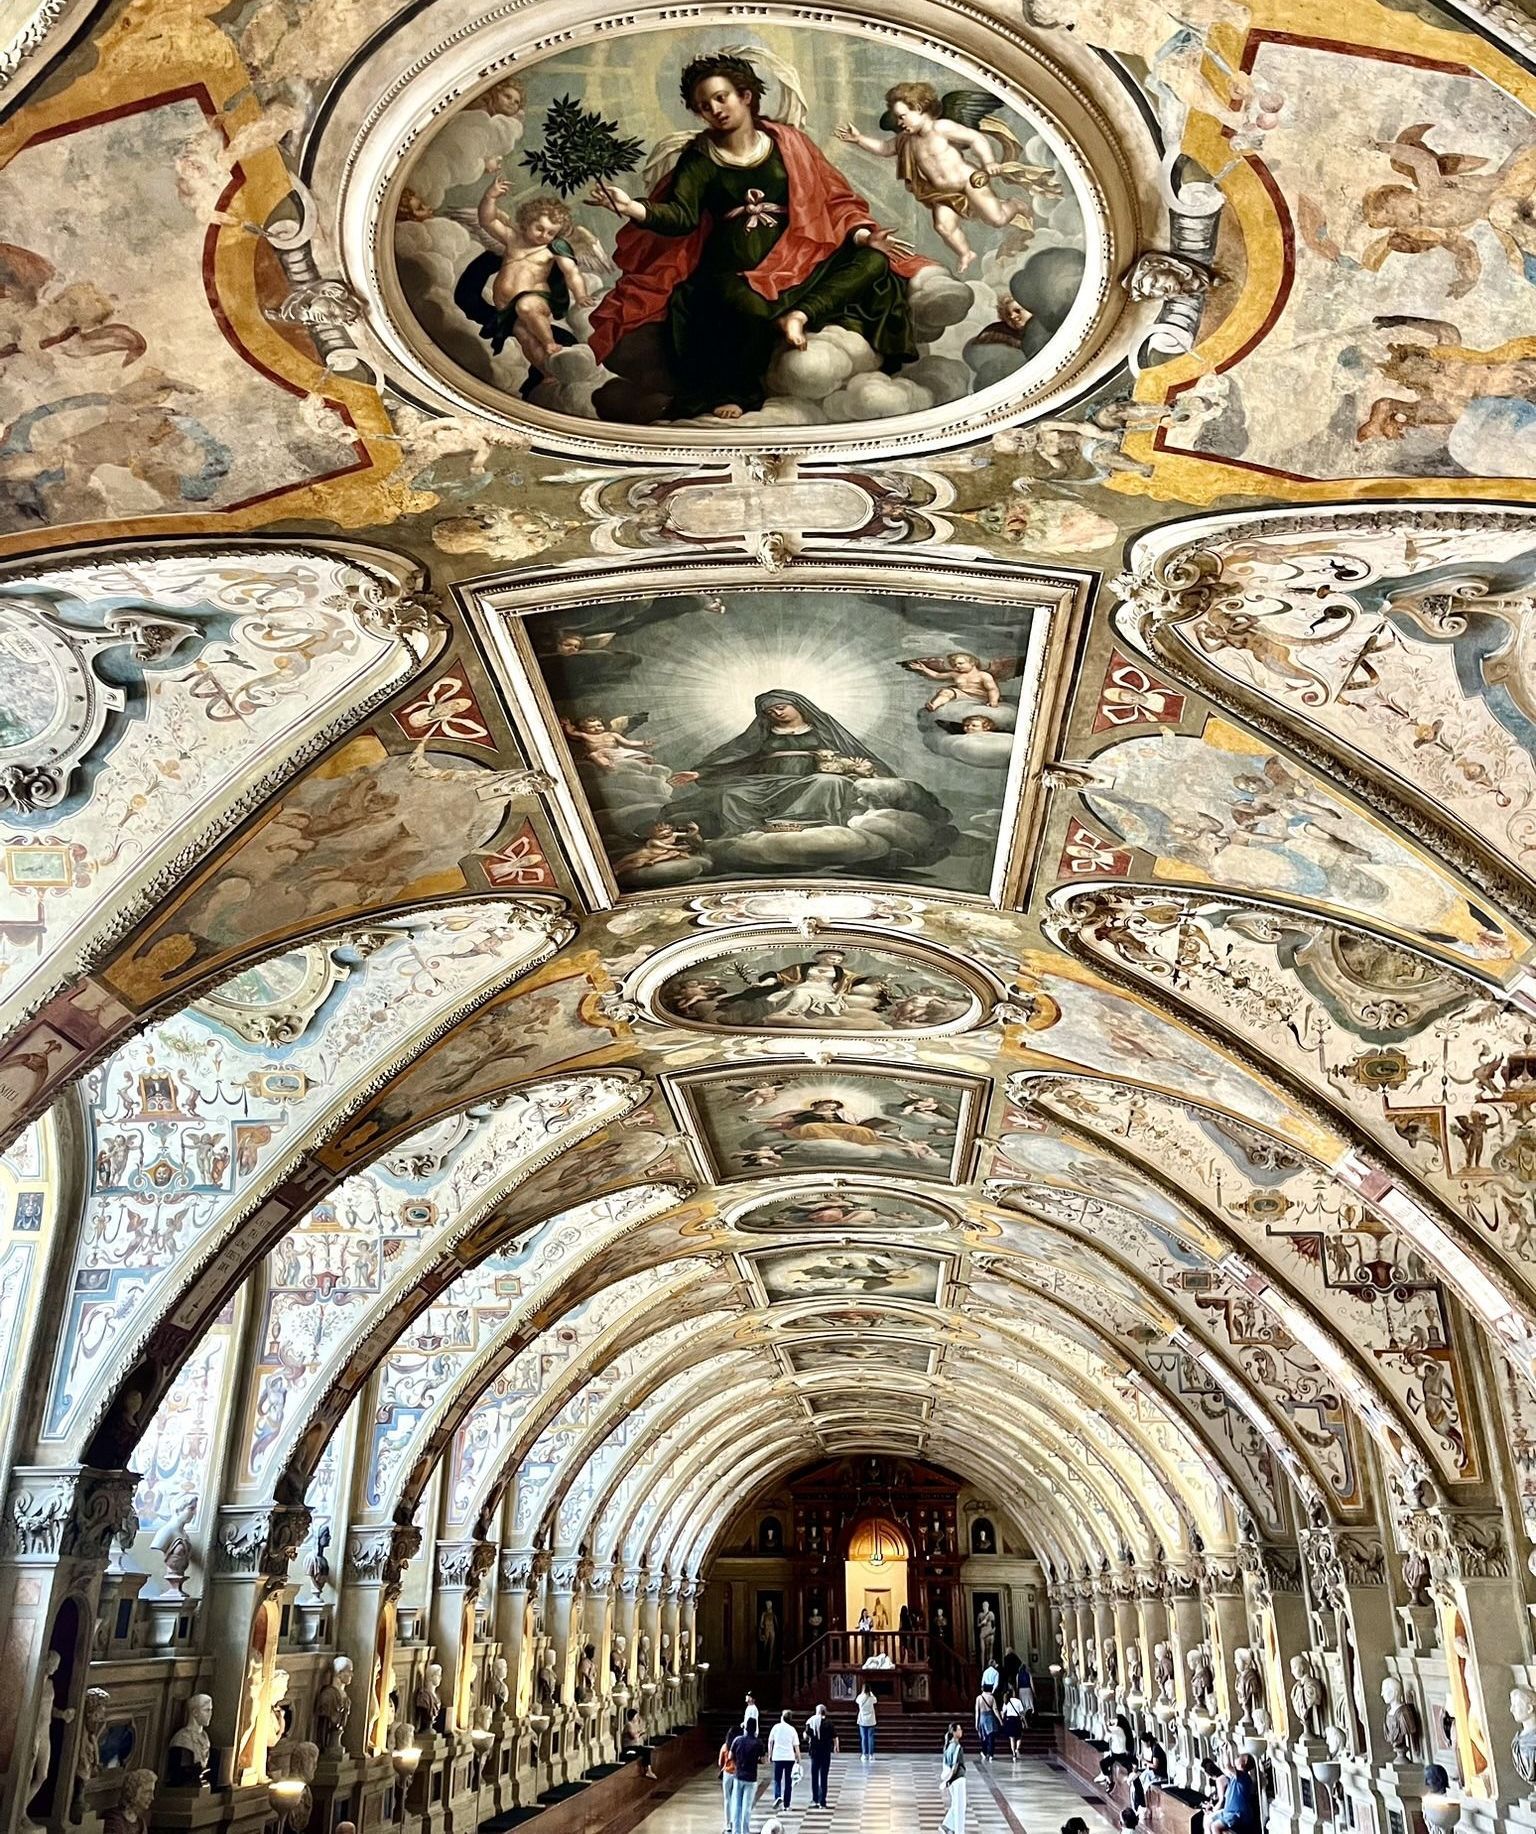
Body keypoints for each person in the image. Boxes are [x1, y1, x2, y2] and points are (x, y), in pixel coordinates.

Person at [587, 52, 927, 421]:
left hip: (798, 262)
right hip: (735, 274)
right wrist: (632, 208)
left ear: (745, 96)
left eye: (722, 97)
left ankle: (798, 314)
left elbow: (831, 199)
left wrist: (862, 236)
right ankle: (740, 392)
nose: (715, 109)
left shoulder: (788, 143)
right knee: (747, 308)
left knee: (875, 260)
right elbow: (682, 217)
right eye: (703, 106)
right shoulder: (700, 159)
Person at [729, 1722, 766, 1834]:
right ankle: (745, 1831)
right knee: (747, 1807)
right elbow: (764, 1761)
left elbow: (730, 1756)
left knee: (737, 1805)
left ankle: (736, 1831)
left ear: (745, 1728)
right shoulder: (758, 1743)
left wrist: (737, 1763)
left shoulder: (737, 1740)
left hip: (738, 1776)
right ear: (755, 1729)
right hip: (751, 1778)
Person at [1210, 1754, 1261, 1834]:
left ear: (1243, 1763)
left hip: (1236, 1814)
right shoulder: (1236, 1776)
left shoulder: (1243, 1776)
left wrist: (1225, 1752)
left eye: (1240, 1757)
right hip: (1230, 1812)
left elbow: (1227, 1766)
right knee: (1209, 1820)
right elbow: (1225, 1768)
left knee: (1215, 1826)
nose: (1237, 1757)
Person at [804, 1704, 838, 1809]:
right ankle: (823, 1801)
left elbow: (806, 1736)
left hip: (814, 1752)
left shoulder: (811, 1722)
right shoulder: (829, 1723)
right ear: (825, 1712)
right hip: (825, 1752)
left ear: (817, 1712)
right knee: (824, 1776)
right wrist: (836, 1747)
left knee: (814, 1776)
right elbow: (835, 1736)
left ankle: (815, 1799)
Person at [767, 1710, 801, 1810]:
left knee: (777, 1779)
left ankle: (778, 1797)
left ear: (782, 1717)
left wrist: (770, 1754)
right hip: (789, 1758)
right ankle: (787, 1805)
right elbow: (796, 1746)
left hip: (777, 1756)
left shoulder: (776, 1727)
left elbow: (770, 1741)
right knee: (788, 1781)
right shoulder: (792, 1729)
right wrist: (798, 1758)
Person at [941, 1722, 967, 1834]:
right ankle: (958, 1831)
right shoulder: (957, 1747)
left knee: (957, 1805)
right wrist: (950, 1780)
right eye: (959, 1730)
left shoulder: (948, 1746)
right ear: (954, 1732)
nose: (961, 1732)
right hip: (957, 1779)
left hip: (952, 1780)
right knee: (960, 1807)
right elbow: (955, 1766)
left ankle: (946, 1825)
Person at [1134, 1735, 1169, 1809]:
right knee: (1137, 1780)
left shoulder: (1156, 1748)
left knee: (1138, 1781)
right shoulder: (1154, 1747)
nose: (1143, 1745)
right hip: (1155, 1772)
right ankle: (1139, 1803)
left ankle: (1142, 1803)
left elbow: (1155, 1765)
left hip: (1160, 1774)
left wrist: (1144, 1761)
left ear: (1148, 1742)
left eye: (1144, 1743)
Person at [718, 1720, 741, 1833]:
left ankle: (727, 1824)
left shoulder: (725, 1746)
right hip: (737, 1774)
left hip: (727, 1773)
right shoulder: (739, 1745)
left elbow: (719, 1762)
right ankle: (735, 1822)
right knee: (736, 1799)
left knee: (727, 1799)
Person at [974, 1683, 1000, 1760]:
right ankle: (991, 1754)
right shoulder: (992, 1698)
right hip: (990, 1718)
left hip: (982, 1718)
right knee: (991, 1737)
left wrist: (976, 1723)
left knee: (983, 1737)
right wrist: (1000, 1720)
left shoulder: (979, 1698)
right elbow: (995, 1710)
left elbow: (977, 1711)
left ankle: (984, 1752)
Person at [856, 1684, 878, 1761]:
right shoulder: (871, 1698)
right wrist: (871, 1693)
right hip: (870, 1719)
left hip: (862, 1719)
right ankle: (871, 1755)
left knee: (864, 1738)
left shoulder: (860, 1697)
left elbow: (857, 1701)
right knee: (870, 1737)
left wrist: (862, 1693)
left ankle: (864, 1754)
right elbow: (876, 1700)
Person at [1001, 1688, 1025, 1759]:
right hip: (1017, 1719)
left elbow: (1003, 1712)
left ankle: (1013, 1754)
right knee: (1019, 1736)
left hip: (1009, 1720)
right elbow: (1021, 1712)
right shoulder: (1018, 1701)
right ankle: (1017, 1749)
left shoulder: (1006, 1701)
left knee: (1012, 1738)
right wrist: (1024, 1721)